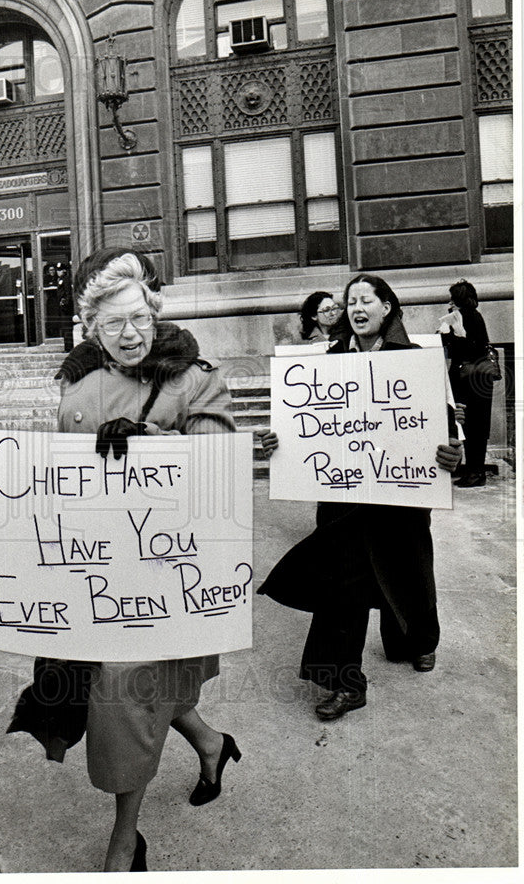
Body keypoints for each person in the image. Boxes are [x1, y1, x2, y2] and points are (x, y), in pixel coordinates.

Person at [52, 248, 240, 871]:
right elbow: (56, 487)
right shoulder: (76, 390)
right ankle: (211, 744)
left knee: (123, 692)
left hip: (170, 575)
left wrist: (164, 448)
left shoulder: (195, 380)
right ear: (91, 329)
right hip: (101, 574)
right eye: (113, 324)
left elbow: (218, 478)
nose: (130, 334)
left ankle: (125, 838)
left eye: (139, 318)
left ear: (154, 312)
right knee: (138, 689)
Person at [258, 274, 462, 722]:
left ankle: (417, 641)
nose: (355, 307)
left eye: (365, 299)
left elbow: (445, 425)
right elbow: (300, 423)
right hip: (342, 496)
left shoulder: (416, 361)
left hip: (401, 494)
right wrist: (280, 445)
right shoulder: (325, 364)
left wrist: (451, 451)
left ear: (387, 307)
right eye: (349, 301)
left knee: (408, 570)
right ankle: (345, 683)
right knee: (341, 584)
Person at [440, 279, 495, 488]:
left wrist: (450, 335)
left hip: (467, 379)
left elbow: (464, 350)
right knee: (476, 426)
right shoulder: (475, 316)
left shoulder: (460, 318)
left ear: (457, 299)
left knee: (469, 425)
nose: (450, 301)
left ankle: (475, 473)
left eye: (452, 298)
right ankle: (474, 470)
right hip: (480, 379)